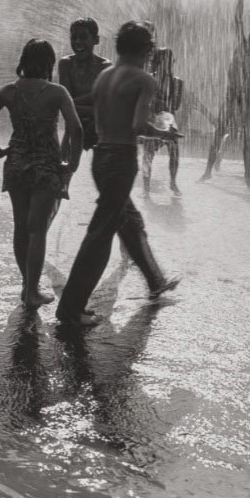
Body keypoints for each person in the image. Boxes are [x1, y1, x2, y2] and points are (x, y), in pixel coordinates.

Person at [55, 21, 181, 328]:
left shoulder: (105, 77)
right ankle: (70, 309)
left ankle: (154, 281)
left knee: (129, 221)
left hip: (101, 156)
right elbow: (138, 126)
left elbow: (83, 105)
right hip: (122, 160)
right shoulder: (143, 80)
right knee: (99, 237)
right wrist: (163, 132)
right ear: (147, 51)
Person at [0, 39, 83, 309]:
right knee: (38, 231)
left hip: (16, 164)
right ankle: (32, 291)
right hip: (45, 167)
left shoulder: (9, 91)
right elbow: (77, 129)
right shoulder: (57, 92)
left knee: (21, 227)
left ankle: (27, 286)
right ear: (49, 63)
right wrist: (74, 163)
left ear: (23, 60)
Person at [199, 0, 250, 186]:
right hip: (233, 97)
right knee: (219, 133)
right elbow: (238, 20)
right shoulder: (244, 47)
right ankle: (208, 171)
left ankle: (247, 177)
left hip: (247, 101)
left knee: (246, 138)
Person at [58, 17, 111, 154]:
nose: (77, 42)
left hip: (99, 129)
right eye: (74, 37)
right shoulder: (66, 64)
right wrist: (93, 104)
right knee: (62, 170)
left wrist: (70, 104)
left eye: (83, 37)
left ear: (96, 40)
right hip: (73, 127)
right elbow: (65, 106)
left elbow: (104, 106)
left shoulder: (105, 66)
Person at [141, 47, 184, 196]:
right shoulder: (148, 79)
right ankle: (146, 188)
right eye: (164, 60)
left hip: (169, 120)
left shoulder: (177, 82)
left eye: (169, 60)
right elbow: (144, 103)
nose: (167, 64)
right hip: (152, 119)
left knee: (174, 150)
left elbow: (176, 105)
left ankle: (173, 182)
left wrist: (160, 104)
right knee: (147, 154)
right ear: (158, 62)